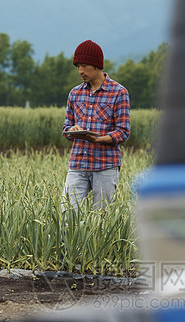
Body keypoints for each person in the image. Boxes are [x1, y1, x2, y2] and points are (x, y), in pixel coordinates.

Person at [62, 40, 130, 211]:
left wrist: (98, 139)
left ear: (97, 65)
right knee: (67, 217)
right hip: (77, 165)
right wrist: (72, 130)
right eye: (77, 66)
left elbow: (123, 132)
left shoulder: (119, 93)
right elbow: (66, 129)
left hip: (105, 166)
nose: (80, 71)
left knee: (100, 220)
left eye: (84, 65)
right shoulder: (74, 93)